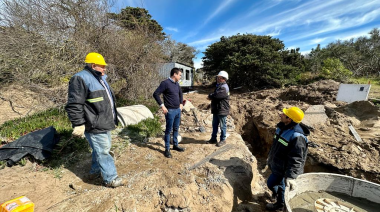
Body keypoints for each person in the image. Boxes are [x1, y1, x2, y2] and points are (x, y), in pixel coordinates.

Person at [65, 52, 123, 188]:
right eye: (102, 66)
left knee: (100, 149)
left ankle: (96, 171)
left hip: (103, 122)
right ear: (93, 65)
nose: (104, 69)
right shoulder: (80, 78)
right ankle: (111, 178)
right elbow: (74, 104)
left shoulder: (100, 78)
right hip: (94, 124)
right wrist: (78, 124)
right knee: (103, 151)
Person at [266, 107, 310, 211]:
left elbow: (297, 158)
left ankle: (280, 204)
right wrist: (270, 157)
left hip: (284, 169)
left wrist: (291, 176)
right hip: (276, 164)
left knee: (271, 184)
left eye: (284, 114)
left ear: (289, 119)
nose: (280, 114)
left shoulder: (297, 136)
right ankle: (279, 199)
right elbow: (275, 146)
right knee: (279, 185)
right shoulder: (281, 128)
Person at [153, 67, 185, 158]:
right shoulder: (165, 83)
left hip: (177, 110)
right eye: (179, 75)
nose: (180, 77)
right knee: (168, 130)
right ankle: (167, 149)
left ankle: (175, 145)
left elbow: (180, 94)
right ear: (174, 74)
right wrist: (162, 106)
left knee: (176, 128)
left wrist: (181, 104)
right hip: (170, 111)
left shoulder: (176, 84)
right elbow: (156, 94)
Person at [207, 71, 230, 147]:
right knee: (215, 125)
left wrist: (210, 96)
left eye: (218, 77)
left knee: (222, 126)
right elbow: (215, 95)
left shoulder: (224, 87)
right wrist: (212, 96)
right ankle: (213, 139)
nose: (217, 78)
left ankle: (223, 140)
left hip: (222, 110)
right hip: (217, 109)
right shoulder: (219, 86)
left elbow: (217, 96)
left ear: (223, 78)